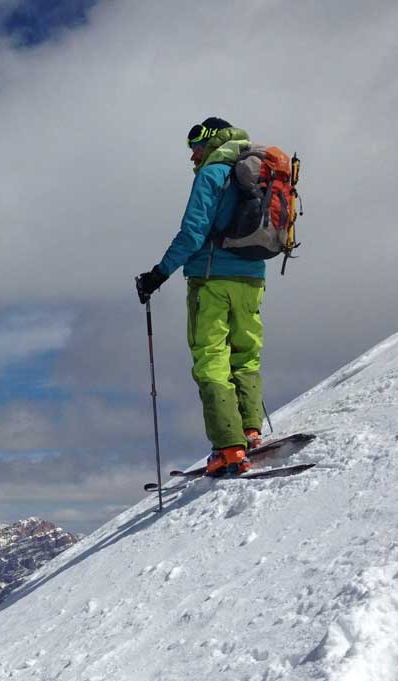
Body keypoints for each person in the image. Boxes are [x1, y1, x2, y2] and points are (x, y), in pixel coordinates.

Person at [136, 117, 267, 477]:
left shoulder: (212, 175)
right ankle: (251, 430)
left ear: (210, 143)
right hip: (253, 277)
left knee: (211, 358)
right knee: (245, 352)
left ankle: (228, 447)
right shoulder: (259, 171)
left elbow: (193, 233)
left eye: (195, 145)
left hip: (211, 279)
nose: (192, 154)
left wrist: (157, 275)